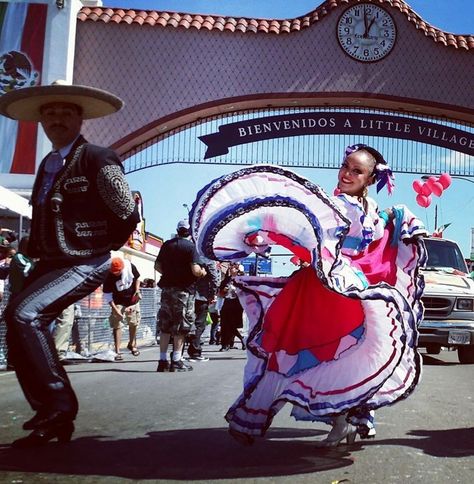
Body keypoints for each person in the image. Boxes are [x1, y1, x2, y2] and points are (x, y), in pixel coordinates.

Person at [189, 150, 427, 447]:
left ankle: (347, 419)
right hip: (320, 291)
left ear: (370, 179)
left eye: (357, 171)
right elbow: (302, 234)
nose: (347, 174)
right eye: (345, 166)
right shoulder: (332, 205)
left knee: (337, 357)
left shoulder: (365, 210)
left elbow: (369, 250)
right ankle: (337, 419)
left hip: (345, 291)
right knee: (307, 355)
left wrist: (398, 226)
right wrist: (263, 233)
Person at [0, 80, 139, 448]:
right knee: (16, 322)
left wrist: (101, 244)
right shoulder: (47, 164)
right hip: (49, 262)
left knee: (26, 315)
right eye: (49, 113)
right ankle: (48, 413)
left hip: (85, 260)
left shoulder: (97, 156)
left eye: (65, 112)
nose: (57, 118)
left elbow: (126, 211)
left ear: (79, 119)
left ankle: (60, 408)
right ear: (41, 120)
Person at [155, 219, 207, 372]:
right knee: (181, 326)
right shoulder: (191, 247)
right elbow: (196, 270)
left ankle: (162, 361)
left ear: (178, 230)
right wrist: (203, 273)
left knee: (165, 325)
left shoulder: (167, 245)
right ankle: (177, 360)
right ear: (189, 232)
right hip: (184, 291)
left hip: (167, 290)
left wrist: (170, 274)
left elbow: (157, 266)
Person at [102, 257, 142, 361]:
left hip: (132, 300)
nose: (116, 273)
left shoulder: (130, 267)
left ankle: (132, 344)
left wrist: (137, 290)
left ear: (122, 268)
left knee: (133, 323)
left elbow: (138, 277)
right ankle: (117, 351)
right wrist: (116, 310)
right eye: (114, 272)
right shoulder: (108, 276)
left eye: (118, 272)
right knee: (117, 325)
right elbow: (107, 295)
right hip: (117, 301)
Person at [187, 258, 220, 361]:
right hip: (201, 295)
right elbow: (214, 278)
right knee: (199, 324)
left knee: (185, 322)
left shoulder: (190, 255)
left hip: (187, 293)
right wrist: (212, 294)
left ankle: (178, 353)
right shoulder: (208, 259)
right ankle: (195, 351)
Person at [219, 263, 246, 352]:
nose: (231, 269)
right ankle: (225, 344)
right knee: (224, 323)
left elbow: (245, 291)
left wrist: (236, 290)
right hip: (227, 302)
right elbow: (220, 290)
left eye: (233, 268)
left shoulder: (241, 280)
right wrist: (223, 290)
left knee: (231, 324)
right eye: (230, 267)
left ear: (238, 269)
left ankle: (231, 342)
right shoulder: (227, 279)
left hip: (237, 304)